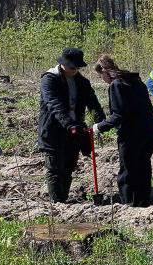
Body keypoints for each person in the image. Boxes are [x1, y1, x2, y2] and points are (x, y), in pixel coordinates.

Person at [38, 48, 105, 202]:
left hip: (75, 131)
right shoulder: (49, 79)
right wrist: (70, 124)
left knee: (68, 167)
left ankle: (63, 199)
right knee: (55, 168)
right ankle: (57, 204)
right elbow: (54, 104)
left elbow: (93, 103)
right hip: (53, 130)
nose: (74, 70)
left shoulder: (82, 82)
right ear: (62, 64)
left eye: (77, 68)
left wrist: (100, 121)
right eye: (72, 67)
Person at [92, 56, 153, 206]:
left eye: (100, 76)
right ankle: (143, 202)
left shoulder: (116, 85)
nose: (102, 80)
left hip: (132, 134)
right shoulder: (136, 81)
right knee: (143, 167)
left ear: (104, 72)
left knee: (128, 171)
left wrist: (99, 127)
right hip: (149, 129)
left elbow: (119, 115)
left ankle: (128, 205)